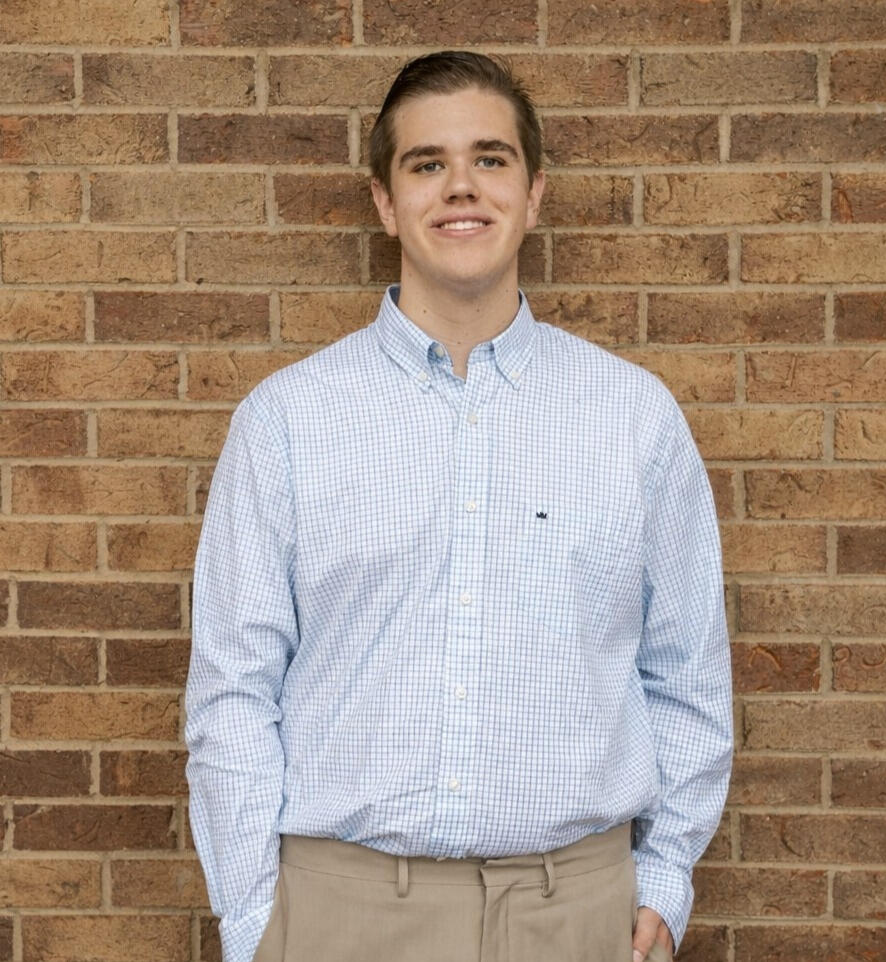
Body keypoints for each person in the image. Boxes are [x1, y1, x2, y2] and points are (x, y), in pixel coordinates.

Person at [185, 50, 733, 962]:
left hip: (577, 915)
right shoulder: (288, 421)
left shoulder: (632, 419)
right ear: (384, 201)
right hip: (341, 917)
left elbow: (687, 674)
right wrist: (253, 923)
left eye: (489, 158)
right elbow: (233, 690)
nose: (460, 188)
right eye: (426, 163)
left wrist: (666, 873)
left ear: (534, 191)